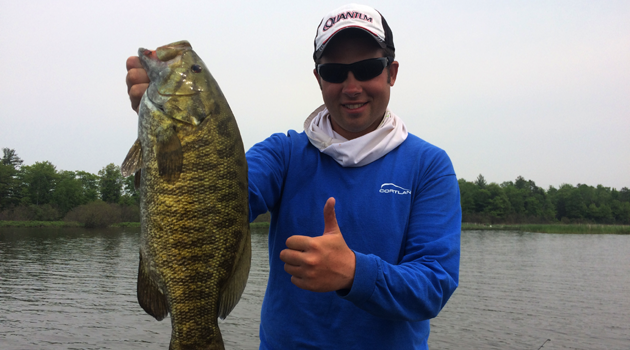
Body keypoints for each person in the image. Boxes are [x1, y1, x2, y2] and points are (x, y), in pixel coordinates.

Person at [126, 4, 461, 349]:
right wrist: (171, 137)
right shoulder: (283, 155)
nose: (351, 86)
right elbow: (214, 198)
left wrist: (353, 273)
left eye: (366, 68)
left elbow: (434, 284)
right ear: (318, 78)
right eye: (334, 72)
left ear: (391, 72)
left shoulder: (428, 166)